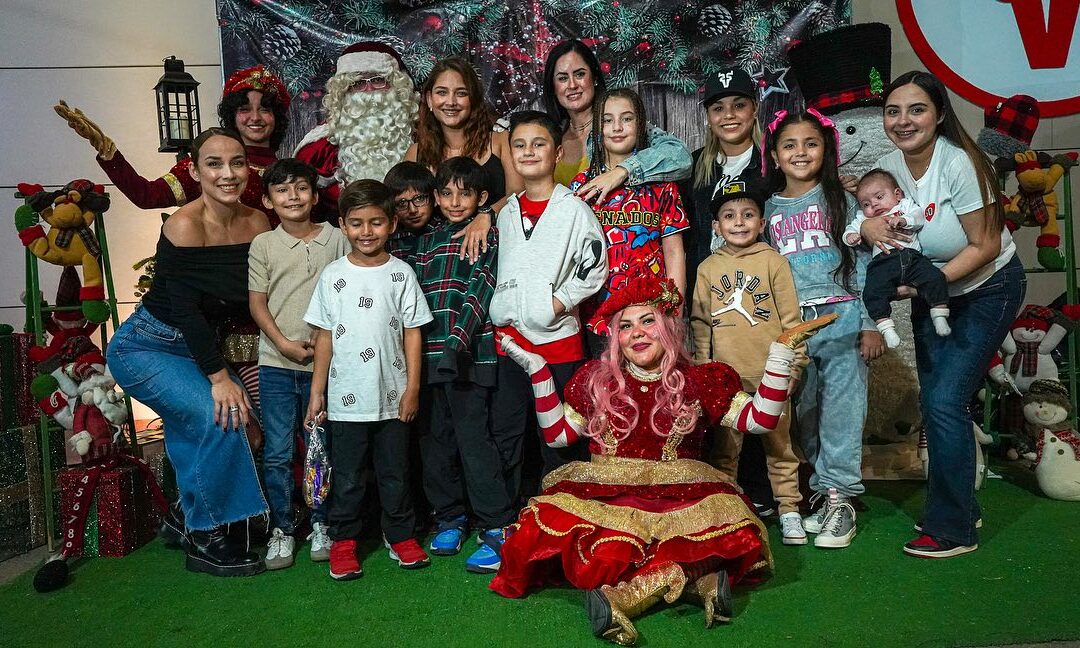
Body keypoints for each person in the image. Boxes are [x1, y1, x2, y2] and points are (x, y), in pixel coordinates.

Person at [489, 274, 834, 646]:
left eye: (647, 320)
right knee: (596, 540)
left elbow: (760, 420)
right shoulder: (596, 380)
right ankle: (698, 580)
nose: (637, 332)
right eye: (625, 326)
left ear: (668, 326)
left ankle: (623, 598)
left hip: (682, 491)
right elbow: (558, 436)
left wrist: (780, 354)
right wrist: (539, 371)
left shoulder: (701, 380)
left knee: (726, 529)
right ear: (615, 338)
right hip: (606, 492)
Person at [862, 71, 1023, 558]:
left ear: (938, 114)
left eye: (916, 109)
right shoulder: (889, 164)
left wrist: (926, 284)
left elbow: (987, 245)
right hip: (933, 296)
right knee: (938, 403)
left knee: (946, 402)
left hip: (987, 288)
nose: (903, 120)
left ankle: (953, 529)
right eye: (893, 111)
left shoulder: (961, 164)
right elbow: (871, 209)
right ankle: (962, 505)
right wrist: (870, 227)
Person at [106, 128, 271, 577]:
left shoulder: (258, 223)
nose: (228, 173)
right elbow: (186, 310)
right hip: (148, 346)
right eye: (214, 164)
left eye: (237, 162)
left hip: (199, 347)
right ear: (195, 172)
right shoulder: (183, 224)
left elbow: (259, 297)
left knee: (251, 429)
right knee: (221, 416)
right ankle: (207, 536)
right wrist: (219, 380)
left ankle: (182, 515)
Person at [762, 109, 884, 549]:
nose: (800, 152)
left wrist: (870, 322)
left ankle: (841, 496)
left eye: (811, 143)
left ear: (825, 150)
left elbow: (866, 265)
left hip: (844, 314)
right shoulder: (768, 210)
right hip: (795, 324)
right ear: (775, 156)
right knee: (805, 412)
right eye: (790, 145)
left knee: (843, 410)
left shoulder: (843, 201)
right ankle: (822, 488)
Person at [303, 179, 434, 580]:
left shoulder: (401, 273)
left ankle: (400, 536)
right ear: (343, 225)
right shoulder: (332, 276)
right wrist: (316, 392)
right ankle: (344, 542)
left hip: (394, 399)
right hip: (345, 400)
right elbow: (323, 335)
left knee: (396, 472)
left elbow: (414, 331)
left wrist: (412, 388)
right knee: (348, 477)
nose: (366, 232)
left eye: (376, 222)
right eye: (357, 223)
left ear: (392, 224)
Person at [489, 110, 607, 517]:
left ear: (557, 153)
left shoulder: (573, 209)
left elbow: (595, 266)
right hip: (510, 347)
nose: (528, 152)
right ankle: (510, 521)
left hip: (558, 345)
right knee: (509, 434)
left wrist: (556, 304)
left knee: (558, 438)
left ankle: (563, 517)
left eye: (538, 144)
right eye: (519, 145)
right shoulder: (505, 213)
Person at [409, 157, 516, 573]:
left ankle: (496, 524)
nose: (455, 201)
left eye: (465, 193)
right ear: (436, 197)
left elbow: (481, 290)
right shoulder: (426, 240)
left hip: (468, 356)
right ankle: (449, 517)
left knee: (476, 443)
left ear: (482, 198)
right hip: (427, 359)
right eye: (447, 193)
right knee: (436, 443)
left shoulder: (484, 235)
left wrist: (457, 343)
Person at [247, 158, 350, 570]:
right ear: (269, 200)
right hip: (276, 363)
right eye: (282, 190)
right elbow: (257, 303)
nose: (293, 196)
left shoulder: (336, 238)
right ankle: (283, 528)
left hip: (328, 366)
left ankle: (323, 523)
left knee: (321, 448)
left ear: (314, 194)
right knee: (277, 451)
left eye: (301, 188)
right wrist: (283, 344)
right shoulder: (264, 245)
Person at [689, 187, 807, 545]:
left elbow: (792, 320)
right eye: (729, 216)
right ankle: (729, 515)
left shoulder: (774, 262)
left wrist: (795, 368)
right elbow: (700, 323)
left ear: (762, 221)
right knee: (725, 451)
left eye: (748, 215)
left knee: (781, 448)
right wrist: (703, 371)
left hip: (771, 375)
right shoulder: (708, 268)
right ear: (716, 225)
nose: (739, 222)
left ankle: (789, 511)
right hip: (726, 381)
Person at [57, 65, 290, 224]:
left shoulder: (291, 171)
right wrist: (107, 152)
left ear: (277, 117)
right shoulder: (209, 165)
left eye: (265, 109)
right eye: (245, 109)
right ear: (232, 115)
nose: (255, 117)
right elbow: (146, 196)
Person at [569, 88, 688, 353]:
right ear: (597, 129)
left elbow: (673, 251)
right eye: (608, 120)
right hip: (597, 316)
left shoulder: (662, 185)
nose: (617, 127)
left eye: (627, 118)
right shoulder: (581, 186)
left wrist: (674, 310)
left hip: (651, 314)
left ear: (640, 125)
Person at [543, 39, 692, 196]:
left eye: (580, 74)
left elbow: (680, 156)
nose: (572, 85)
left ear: (594, 78)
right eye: (562, 78)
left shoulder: (619, 128)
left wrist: (622, 171)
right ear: (553, 86)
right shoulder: (550, 135)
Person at [295, 42, 419, 222]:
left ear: (396, 86)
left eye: (378, 80)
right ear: (344, 92)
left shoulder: (420, 137)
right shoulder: (319, 148)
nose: (369, 92)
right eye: (358, 83)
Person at [683, 67, 768, 298]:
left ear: (755, 108)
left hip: (758, 289)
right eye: (718, 108)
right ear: (708, 116)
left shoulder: (772, 163)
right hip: (706, 292)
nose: (728, 115)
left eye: (739, 105)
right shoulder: (693, 165)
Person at [844, 168, 950, 348]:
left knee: (936, 278)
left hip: (912, 257)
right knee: (871, 293)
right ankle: (886, 327)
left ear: (897, 194)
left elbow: (918, 217)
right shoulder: (863, 218)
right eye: (866, 204)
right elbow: (849, 230)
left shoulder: (904, 206)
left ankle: (939, 314)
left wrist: (904, 220)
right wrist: (852, 237)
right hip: (882, 261)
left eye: (879, 197)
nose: (874, 205)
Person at [406, 58, 523, 213]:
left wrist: (487, 215)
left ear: (473, 99)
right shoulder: (415, 153)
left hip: (496, 233)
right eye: (442, 92)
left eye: (461, 93)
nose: (451, 102)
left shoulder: (500, 141)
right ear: (429, 99)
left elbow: (518, 192)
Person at [385, 161, 440, 261]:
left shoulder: (446, 231)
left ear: (435, 198)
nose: (412, 210)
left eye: (419, 199)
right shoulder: (388, 239)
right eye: (402, 203)